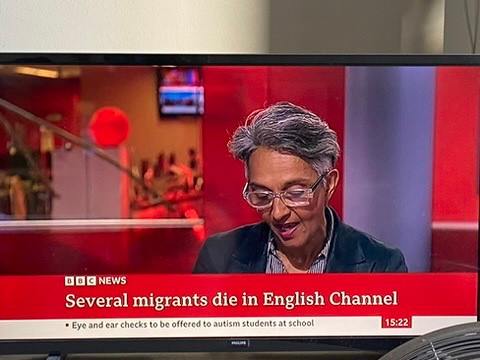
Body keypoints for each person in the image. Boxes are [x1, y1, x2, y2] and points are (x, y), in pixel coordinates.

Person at [193, 102, 407, 274]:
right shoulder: (219, 258)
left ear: (329, 184)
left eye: (295, 193)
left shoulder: (381, 265)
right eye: (262, 195)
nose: (278, 213)